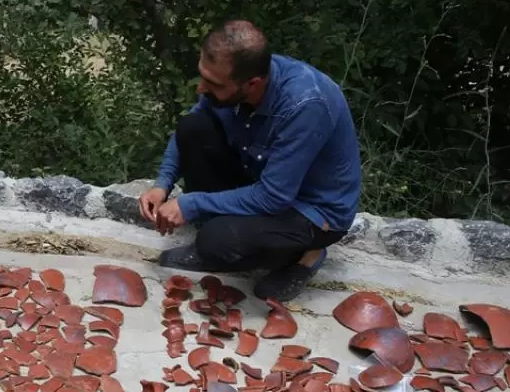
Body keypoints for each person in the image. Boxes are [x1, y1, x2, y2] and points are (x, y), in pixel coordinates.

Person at [140, 20, 362, 302]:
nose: (201, 88)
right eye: (203, 76)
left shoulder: (305, 105)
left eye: (213, 84)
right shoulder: (237, 77)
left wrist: (191, 204)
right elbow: (193, 124)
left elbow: (274, 197)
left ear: (253, 84)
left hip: (310, 211)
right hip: (260, 177)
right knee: (193, 128)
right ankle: (229, 241)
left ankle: (305, 254)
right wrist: (162, 185)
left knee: (217, 240)